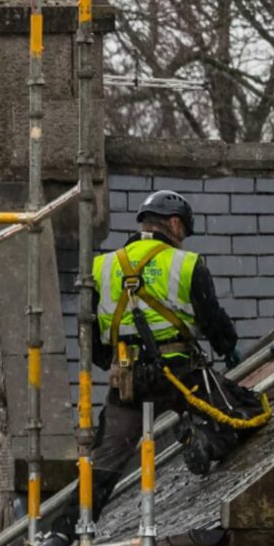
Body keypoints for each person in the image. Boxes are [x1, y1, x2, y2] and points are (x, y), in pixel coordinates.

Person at [88, 190, 242, 489]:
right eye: (183, 230)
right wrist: (229, 347)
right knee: (241, 418)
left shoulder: (101, 267)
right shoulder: (187, 263)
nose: (183, 238)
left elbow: (94, 336)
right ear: (174, 223)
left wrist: (109, 360)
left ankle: (70, 527)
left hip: (129, 378)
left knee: (104, 461)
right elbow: (212, 318)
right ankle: (203, 442)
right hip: (181, 371)